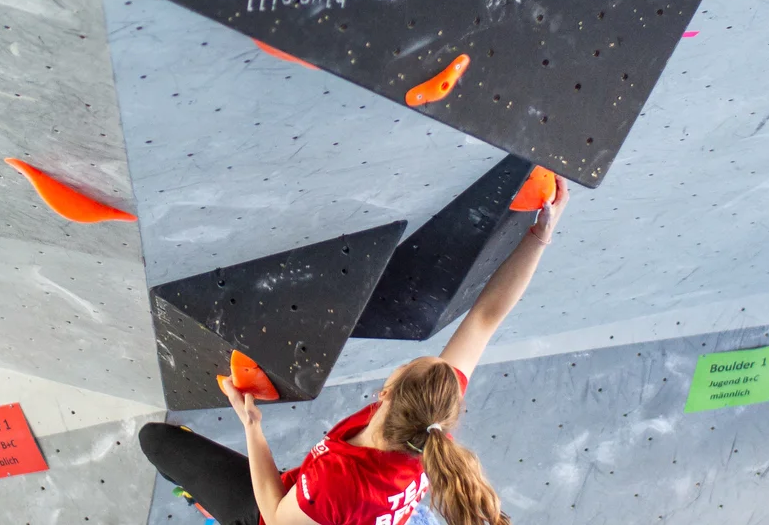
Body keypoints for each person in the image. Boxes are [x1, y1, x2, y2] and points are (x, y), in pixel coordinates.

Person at [140, 177, 571, 525]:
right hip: (328, 505)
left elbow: (274, 511)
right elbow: (485, 318)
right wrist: (539, 237)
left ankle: (204, 503)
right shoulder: (427, 425)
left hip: (278, 516)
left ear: (386, 392)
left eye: (408, 365)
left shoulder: (339, 481)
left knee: (156, 440)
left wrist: (252, 425)